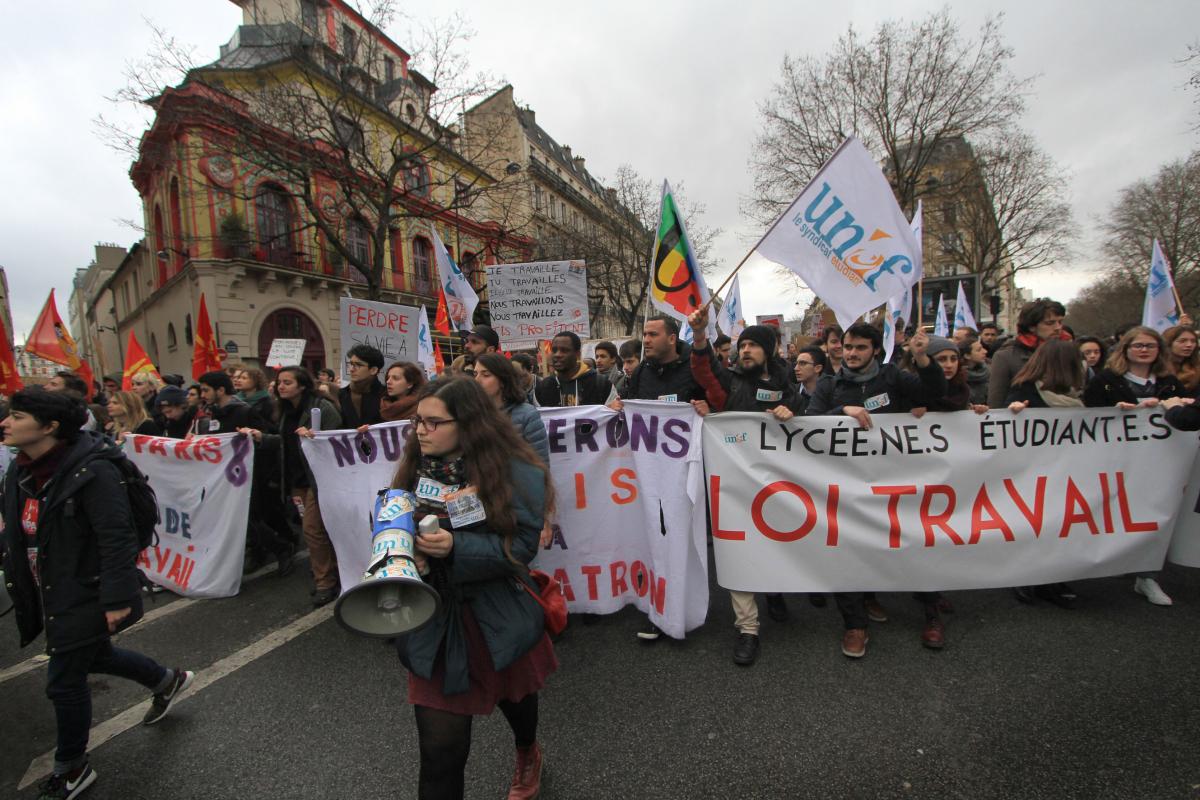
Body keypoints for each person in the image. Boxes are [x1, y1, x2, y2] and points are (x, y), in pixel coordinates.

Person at [1, 388, 194, 799]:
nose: (6, 423)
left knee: (64, 680)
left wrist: (117, 597)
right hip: (49, 585)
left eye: (16, 416)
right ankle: (166, 680)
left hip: (84, 588)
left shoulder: (94, 470)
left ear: (50, 427)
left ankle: (72, 768)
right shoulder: (19, 471)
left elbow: (116, 535)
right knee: (96, 655)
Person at [393, 377, 556, 800]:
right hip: (436, 619)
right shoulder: (415, 463)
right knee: (439, 754)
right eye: (417, 421)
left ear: (467, 424)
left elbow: (521, 547)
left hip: (495, 612)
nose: (420, 431)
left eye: (433, 422)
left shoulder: (515, 469)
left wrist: (456, 546)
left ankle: (527, 751)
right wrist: (405, 550)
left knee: (517, 700)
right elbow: (391, 519)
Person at [806, 323, 944, 658]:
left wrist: (923, 357)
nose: (851, 353)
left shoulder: (893, 377)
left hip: (897, 482)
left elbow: (934, 393)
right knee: (847, 552)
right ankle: (855, 625)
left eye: (861, 348)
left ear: (876, 351)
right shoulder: (829, 384)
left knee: (916, 544)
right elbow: (809, 422)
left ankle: (932, 615)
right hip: (848, 486)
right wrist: (842, 412)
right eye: (848, 347)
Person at [688, 309, 794, 666]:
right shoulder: (730, 382)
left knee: (778, 544)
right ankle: (747, 628)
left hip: (779, 485)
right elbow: (704, 369)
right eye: (742, 345)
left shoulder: (788, 382)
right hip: (733, 485)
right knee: (737, 552)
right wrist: (700, 334)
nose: (745, 351)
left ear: (770, 350)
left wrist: (792, 409)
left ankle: (777, 590)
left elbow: (812, 413)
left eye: (753, 345)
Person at [610, 315, 708, 642]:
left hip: (682, 475)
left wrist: (708, 407)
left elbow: (718, 403)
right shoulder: (642, 372)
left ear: (671, 338)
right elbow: (627, 407)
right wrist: (617, 407)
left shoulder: (692, 369)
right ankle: (659, 609)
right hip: (648, 476)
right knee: (654, 539)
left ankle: (681, 607)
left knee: (679, 542)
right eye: (645, 334)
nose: (646, 340)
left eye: (653, 334)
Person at [1082, 327, 1184, 607]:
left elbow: (1185, 410)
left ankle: (1146, 575)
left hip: (1158, 460)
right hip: (1115, 457)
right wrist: (1116, 409)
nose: (1143, 350)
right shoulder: (1106, 380)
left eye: (1150, 345)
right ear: (1125, 349)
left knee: (1149, 512)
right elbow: (1088, 412)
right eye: (1137, 345)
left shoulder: (1168, 381)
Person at [241, 367, 342, 606]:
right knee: (317, 531)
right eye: (279, 382)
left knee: (312, 530)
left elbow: (337, 440)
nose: (281, 386)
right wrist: (262, 438)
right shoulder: (285, 411)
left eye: (287, 382)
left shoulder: (322, 408)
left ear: (303, 385)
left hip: (319, 480)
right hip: (298, 482)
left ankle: (325, 582)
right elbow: (286, 442)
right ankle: (332, 570)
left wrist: (316, 439)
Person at [987, 298, 1068, 408]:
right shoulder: (1006, 357)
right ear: (1032, 326)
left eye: (1060, 322)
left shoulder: (1069, 352)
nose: (1058, 328)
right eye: (1050, 323)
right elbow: (996, 404)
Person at [474, 353, 548, 464]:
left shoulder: (527, 415)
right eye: (475, 374)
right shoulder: (472, 414)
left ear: (503, 380)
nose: (477, 380)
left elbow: (540, 465)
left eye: (486, 375)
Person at [535, 332, 613, 407]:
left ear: (578, 354)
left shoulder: (601, 384)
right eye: (554, 350)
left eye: (564, 350)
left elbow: (615, 416)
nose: (557, 355)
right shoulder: (543, 387)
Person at [194, 371, 264, 435]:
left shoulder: (245, 412)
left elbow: (260, 439)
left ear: (221, 390)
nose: (202, 395)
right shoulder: (212, 411)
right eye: (201, 391)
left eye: (206, 390)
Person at [339, 344, 386, 429]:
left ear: (373, 370)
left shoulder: (386, 395)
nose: (351, 369)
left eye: (358, 365)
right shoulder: (340, 395)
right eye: (351, 364)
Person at [789, 346, 830, 415]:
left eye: (802, 363)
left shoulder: (831, 393)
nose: (796, 368)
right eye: (796, 363)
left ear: (818, 368)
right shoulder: (790, 393)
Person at [1163, 325, 1200, 392]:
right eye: (1182, 341)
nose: (1189, 345)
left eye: (1193, 341)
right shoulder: (1157, 367)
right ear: (1168, 343)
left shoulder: (1197, 368)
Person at [960, 335, 991, 406]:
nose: (985, 351)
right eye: (979, 350)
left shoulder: (989, 371)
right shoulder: (957, 376)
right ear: (967, 355)